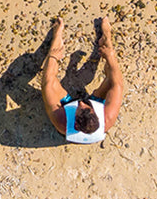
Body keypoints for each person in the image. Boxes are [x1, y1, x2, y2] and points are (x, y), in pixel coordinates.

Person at [41, 16, 123, 144]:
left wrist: (52, 57)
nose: (81, 103)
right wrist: (110, 56)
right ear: (96, 114)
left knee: (50, 84)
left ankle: (57, 36)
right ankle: (106, 38)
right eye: (87, 108)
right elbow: (118, 84)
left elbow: (47, 82)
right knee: (111, 81)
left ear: (75, 123)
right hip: (90, 111)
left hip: (68, 115)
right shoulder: (108, 117)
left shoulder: (62, 121)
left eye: (80, 109)